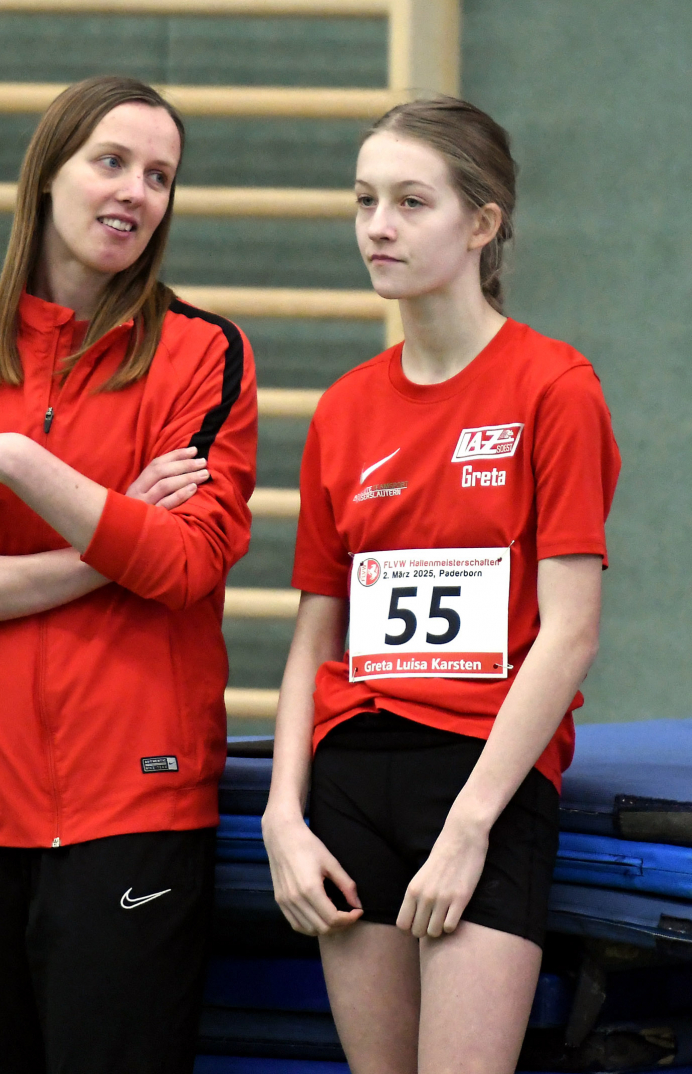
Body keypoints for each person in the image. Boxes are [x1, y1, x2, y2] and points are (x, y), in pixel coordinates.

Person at [0, 75, 257, 1074]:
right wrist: (106, 547)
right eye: (111, 161)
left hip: (135, 810)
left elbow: (190, 562)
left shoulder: (203, 355)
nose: (136, 192)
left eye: (160, 175)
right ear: (48, 175)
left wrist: (23, 466)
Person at [262, 96, 620, 1074]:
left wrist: (471, 827)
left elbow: (570, 633)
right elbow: (314, 637)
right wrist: (282, 816)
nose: (378, 225)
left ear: (482, 222)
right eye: (365, 200)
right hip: (351, 786)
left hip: (483, 780)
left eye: (411, 201)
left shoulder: (554, 388)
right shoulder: (341, 411)